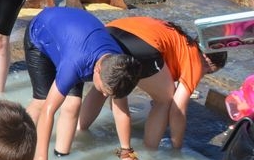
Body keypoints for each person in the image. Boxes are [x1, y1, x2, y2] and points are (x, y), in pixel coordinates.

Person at [23, 7, 142, 160]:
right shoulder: (75, 65)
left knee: (73, 104)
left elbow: (121, 112)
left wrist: (127, 154)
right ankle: (16, 145)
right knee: (41, 102)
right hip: (41, 33)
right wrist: (41, 158)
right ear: (97, 69)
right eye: (104, 91)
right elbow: (49, 110)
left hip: (73, 40)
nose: (104, 95)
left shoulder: (120, 66)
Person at [78, 16, 227, 151]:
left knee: (104, 85)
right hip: (142, 46)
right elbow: (177, 110)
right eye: (208, 72)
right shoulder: (196, 60)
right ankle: (150, 151)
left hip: (110, 32)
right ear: (207, 60)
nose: (202, 75)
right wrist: (177, 147)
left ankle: (79, 132)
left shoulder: (181, 39)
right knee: (165, 100)